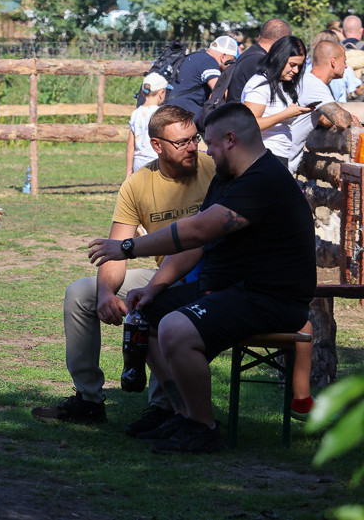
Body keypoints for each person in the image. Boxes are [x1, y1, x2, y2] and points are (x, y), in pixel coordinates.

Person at [88, 103, 316, 453]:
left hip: (270, 298)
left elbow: (196, 230)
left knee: (176, 328)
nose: (205, 150)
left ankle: (202, 428)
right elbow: (197, 243)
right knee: (144, 316)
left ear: (230, 139)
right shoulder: (227, 179)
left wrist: (129, 247)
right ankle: (182, 414)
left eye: (207, 142)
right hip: (231, 290)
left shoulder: (264, 179)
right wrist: (154, 287)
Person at [32, 105, 215, 432]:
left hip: (212, 274)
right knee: (80, 294)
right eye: (181, 142)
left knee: (151, 304)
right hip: (165, 274)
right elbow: (117, 249)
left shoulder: (212, 168)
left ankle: (167, 408)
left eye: (194, 139)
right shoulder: (138, 185)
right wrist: (105, 293)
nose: (192, 148)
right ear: (157, 146)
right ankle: (88, 401)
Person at [288, 39, 359, 174]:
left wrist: (329, 121)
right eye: (344, 61)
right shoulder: (315, 86)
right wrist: (353, 120)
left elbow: (320, 117)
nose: (346, 66)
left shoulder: (307, 81)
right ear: (333, 61)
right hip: (282, 161)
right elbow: (342, 120)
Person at [240, 35, 313, 167]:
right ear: (280, 58)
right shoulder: (261, 84)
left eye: (299, 66)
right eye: (292, 65)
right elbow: (249, 125)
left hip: (278, 155)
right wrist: (285, 114)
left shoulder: (282, 84)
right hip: (263, 155)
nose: (296, 71)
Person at [168, 35, 240, 116]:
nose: (231, 65)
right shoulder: (209, 62)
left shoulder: (196, 56)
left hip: (171, 109)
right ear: (223, 56)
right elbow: (220, 90)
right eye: (231, 61)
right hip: (184, 115)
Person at [225, 19, 292, 103]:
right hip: (244, 113)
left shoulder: (250, 54)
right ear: (283, 41)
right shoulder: (261, 62)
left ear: (260, 35)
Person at [126, 73, 169, 177]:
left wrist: (128, 172)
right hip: (156, 160)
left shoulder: (136, 113)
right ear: (161, 93)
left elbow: (130, 146)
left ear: (143, 92)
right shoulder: (162, 113)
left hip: (139, 161)